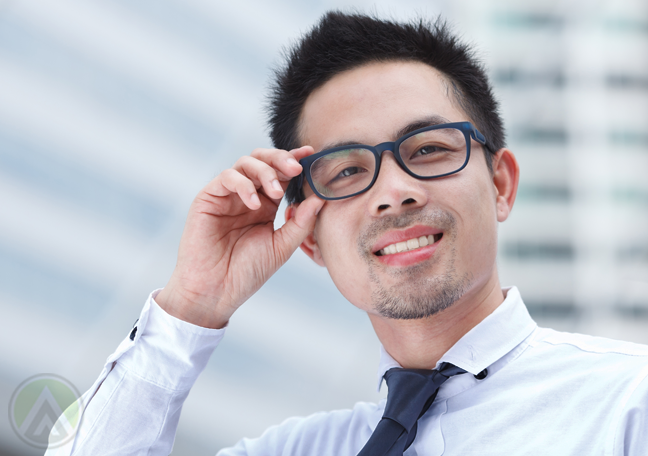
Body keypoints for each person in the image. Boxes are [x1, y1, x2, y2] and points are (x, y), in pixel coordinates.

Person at [48, 11, 648, 456]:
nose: (394, 191)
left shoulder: (629, 403)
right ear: (308, 238)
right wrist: (190, 307)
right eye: (349, 170)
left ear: (500, 185)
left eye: (430, 149)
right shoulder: (296, 451)